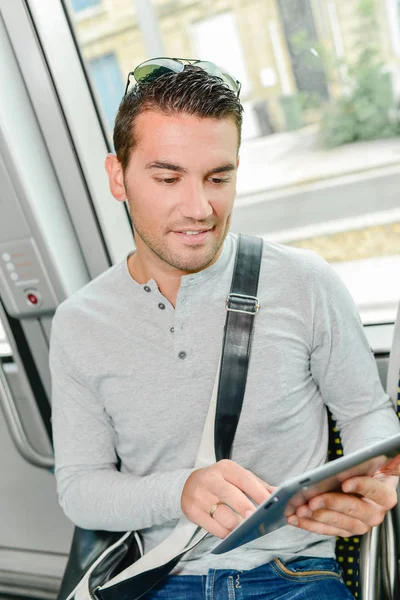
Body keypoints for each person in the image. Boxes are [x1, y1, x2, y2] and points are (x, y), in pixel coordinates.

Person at [49, 58, 400, 600]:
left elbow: (364, 413)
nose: (200, 208)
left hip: (296, 577)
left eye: (219, 177)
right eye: (168, 178)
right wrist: (180, 492)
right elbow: (80, 490)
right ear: (118, 177)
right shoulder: (79, 323)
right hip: (160, 580)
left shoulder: (305, 281)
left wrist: (376, 483)